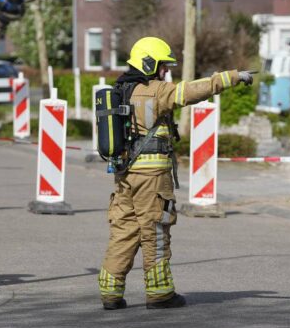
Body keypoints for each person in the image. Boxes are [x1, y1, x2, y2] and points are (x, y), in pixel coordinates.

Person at [98, 36, 254, 310]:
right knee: (155, 229)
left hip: (124, 174)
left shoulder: (121, 89)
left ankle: (110, 292)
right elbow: (191, 91)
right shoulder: (156, 91)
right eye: (162, 66)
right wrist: (231, 77)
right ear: (150, 63)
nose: (165, 71)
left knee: (123, 230)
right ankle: (159, 293)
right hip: (152, 177)